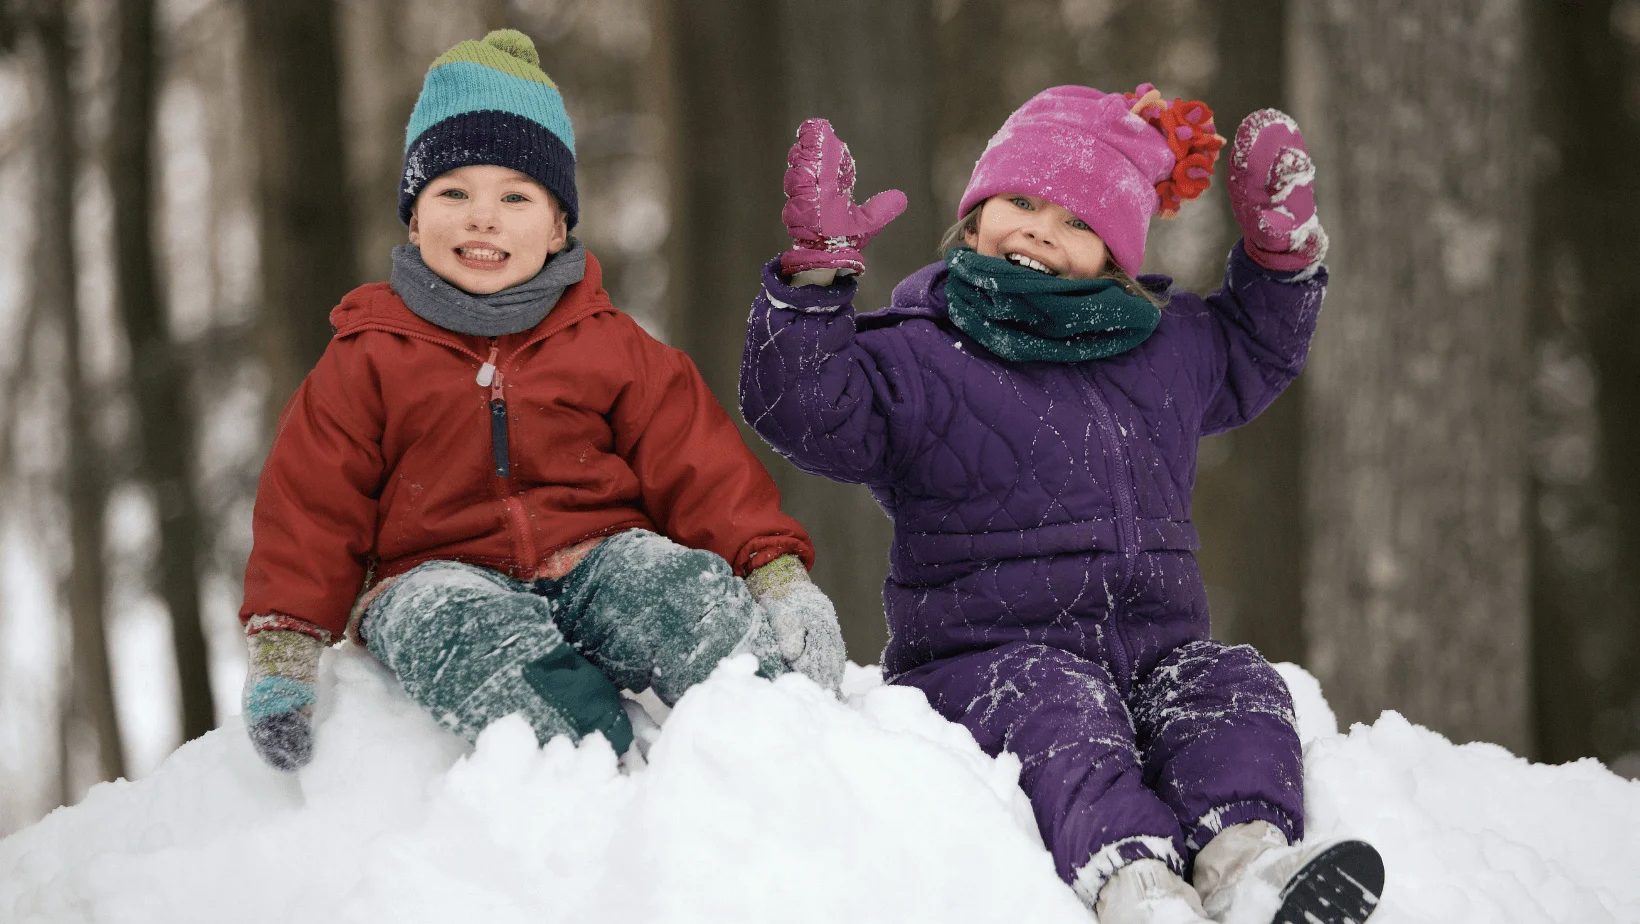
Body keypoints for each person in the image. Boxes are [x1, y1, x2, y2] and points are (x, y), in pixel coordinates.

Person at [740, 87, 1382, 924]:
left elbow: (1256, 346)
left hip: (1154, 652)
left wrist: (1279, 257)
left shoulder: (1165, 347)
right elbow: (801, 407)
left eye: (1079, 222)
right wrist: (817, 274)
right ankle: (1136, 882)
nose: (1042, 227)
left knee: (1232, 686)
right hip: (987, 658)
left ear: (1117, 258)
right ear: (973, 222)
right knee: (1062, 719)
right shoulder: (919, 355)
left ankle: (1248, 859)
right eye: (1022, 202)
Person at [238, 30, 844, 775]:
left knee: (669, 585)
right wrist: (284, 649)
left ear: (558, 225)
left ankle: (788, 738)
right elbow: (311, 504)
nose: (482, 217)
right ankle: (592, 766)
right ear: (414, 217)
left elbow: (701, 466)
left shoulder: (608, 343)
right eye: (452, 192)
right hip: (435, 574)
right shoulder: (366, 356)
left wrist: (777, 577)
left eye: (515, 197)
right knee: (449, 630)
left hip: (597, 559)